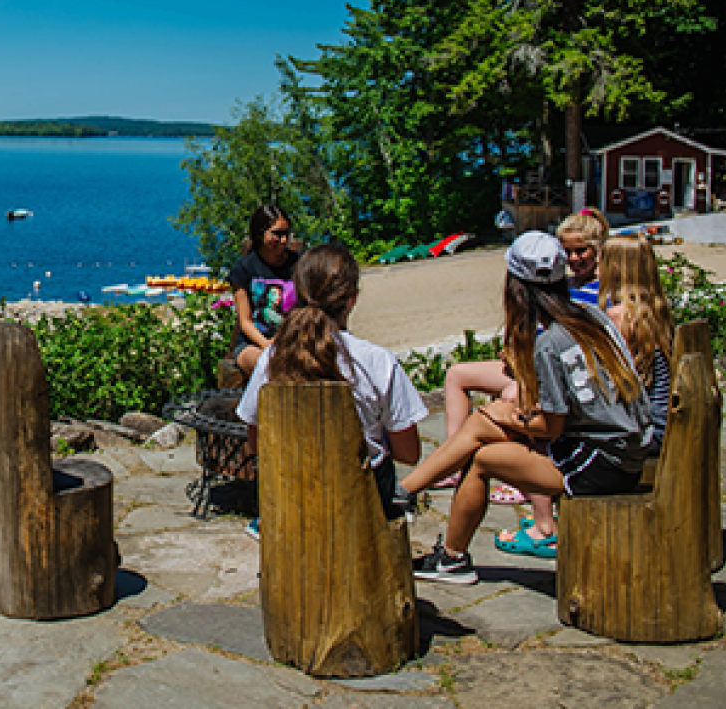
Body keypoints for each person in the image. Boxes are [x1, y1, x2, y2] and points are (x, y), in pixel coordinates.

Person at [401, 231, 647, 584]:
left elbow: (552, 427)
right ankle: (411, 499)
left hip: (599, 463)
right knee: (486, 424)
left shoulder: (550, 342)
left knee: (482, 447)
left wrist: (513, 416)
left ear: (515, 286)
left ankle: (425, 521)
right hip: (623, 449)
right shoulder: (592, 317)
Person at [236, 243, 427, 537]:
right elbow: (408, 452)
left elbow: (256, 440)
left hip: (292, 492)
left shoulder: (272, 362)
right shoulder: (378, 362)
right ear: (352, 299)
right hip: (360, 496)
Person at [599, 236, 675, 455]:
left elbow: (618, 385)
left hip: (644, 432)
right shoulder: (654, 311)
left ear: (614, 267)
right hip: (660, 424)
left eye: (601, 260)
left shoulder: (620, 317)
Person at [227, 205, 300, 376]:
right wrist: (268, 345)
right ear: (260, 234)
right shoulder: (244, 269)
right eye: (277, 234)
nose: (283, 240)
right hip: (253, 343)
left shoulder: (300, 265)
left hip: (293, 341)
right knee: (267, 365)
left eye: (286, 234)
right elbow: (245, 322)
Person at [558, 208, 610, 305]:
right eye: (567, 251)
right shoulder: (561, 287)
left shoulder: (607, 292)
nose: (573, 258)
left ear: (597, 249)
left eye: (581, 251)